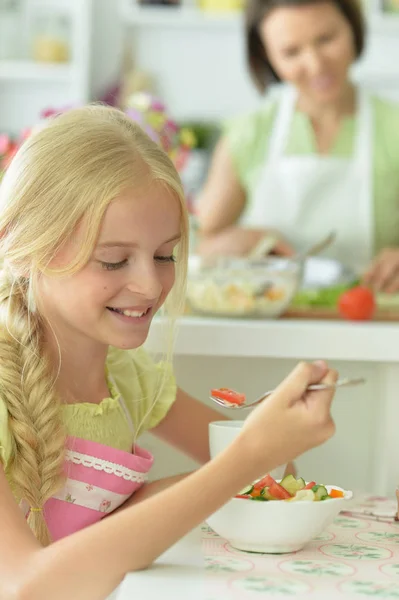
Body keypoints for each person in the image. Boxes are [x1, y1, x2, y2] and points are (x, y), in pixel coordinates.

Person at [0, 105, 337, 600]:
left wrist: (269, 438)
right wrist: (246, 456)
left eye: (165, 255)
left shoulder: (131, 380)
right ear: (26, 250)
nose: (150, 284)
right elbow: (24, 584)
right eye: (113, 260)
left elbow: (263, 474)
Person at [197, 0, 399, 292]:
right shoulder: (249, 134)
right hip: (270, 326)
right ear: (268, 57)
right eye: (291, 52)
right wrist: (238, 242)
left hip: (373, 323)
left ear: (353, 29)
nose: (316, 65)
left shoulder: (394, 129)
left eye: (326, 39)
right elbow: (196, 248)